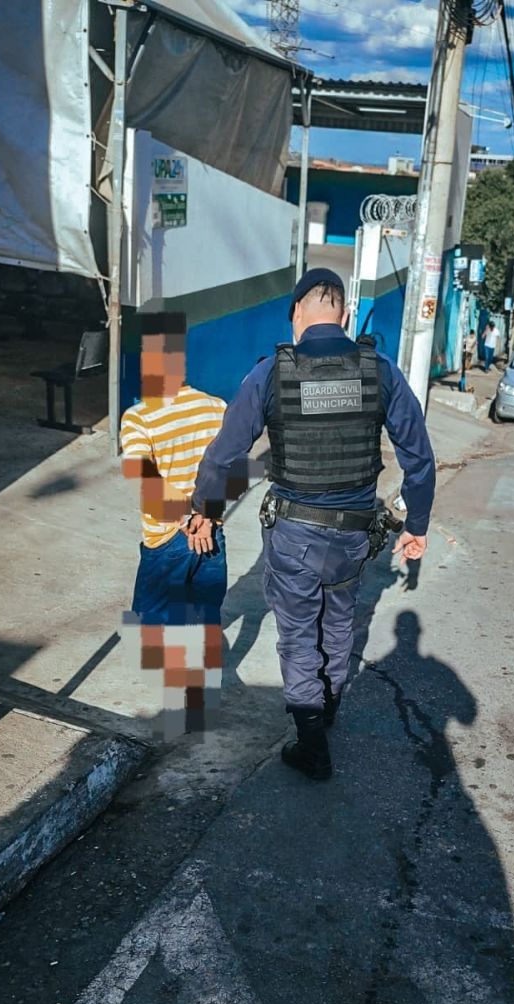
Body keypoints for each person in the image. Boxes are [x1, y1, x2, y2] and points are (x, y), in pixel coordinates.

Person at [186, 267, 436, 781]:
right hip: (354, 534)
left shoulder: (270, 374)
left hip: (294, 534)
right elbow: (419, 456)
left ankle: (311, 741)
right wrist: (417, 524)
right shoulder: (380, 371)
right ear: (345, 315)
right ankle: (328, 706)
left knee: (299, 633)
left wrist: (204, 510)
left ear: (296, 313)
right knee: (339, 621)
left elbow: (224, 454)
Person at [120, 312, 227, 739]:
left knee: (151, 621)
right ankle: (199, 706)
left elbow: (146, 483)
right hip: (211, 535)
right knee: (205, 618)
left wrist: (184, 519)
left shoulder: (137, 418)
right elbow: (229, 471)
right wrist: (207, 519)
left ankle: (175, 700)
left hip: (167, 538)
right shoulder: (216, 408)